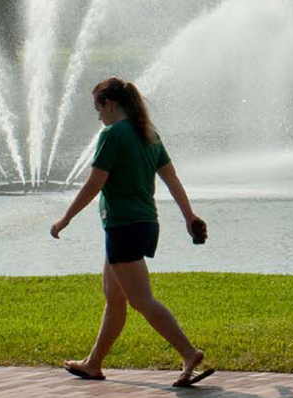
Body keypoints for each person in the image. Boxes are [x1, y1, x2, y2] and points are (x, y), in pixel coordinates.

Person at [49, 77, 213, 388]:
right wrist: (188, 215)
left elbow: (95, 183)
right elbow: (171, 179)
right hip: (146, 224)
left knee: (142, 300)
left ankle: (189, 352)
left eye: (97, 107)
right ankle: (93, 364)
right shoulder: (148, 133)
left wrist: (65, 218)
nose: (97, 115)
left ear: (109, 104)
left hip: (123, 226)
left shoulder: (113, 134)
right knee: (114, 298)